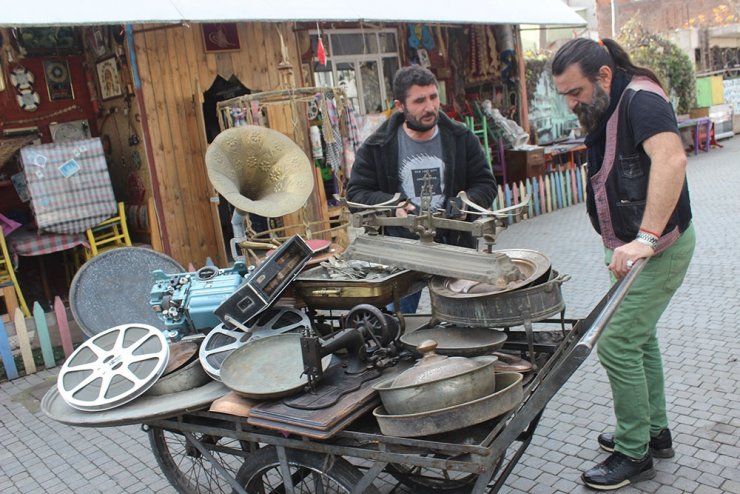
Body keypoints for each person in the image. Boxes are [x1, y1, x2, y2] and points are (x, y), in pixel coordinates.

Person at [551, 38, 695, 491]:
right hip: (630, 248)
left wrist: (646, 239)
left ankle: (634, 454)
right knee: (639, 340)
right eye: (565, 95)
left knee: (614, 343)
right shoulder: (610, 100)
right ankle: (655, 431)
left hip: (660, 248)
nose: (572, 103)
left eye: (576, 92)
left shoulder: (641, 97)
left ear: (604, 76)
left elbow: (671, 158)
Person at [346, 65, 497, 313]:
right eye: (419, 101)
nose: (430, 107)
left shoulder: (461, 138)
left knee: (466, 326)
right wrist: (395, 205)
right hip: (400, 254)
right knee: (398, 328)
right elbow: (356, 194)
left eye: (433, 97)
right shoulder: (377, 146)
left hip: (455, 248)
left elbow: (486, 183)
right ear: (400, 106)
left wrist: (465, 203)